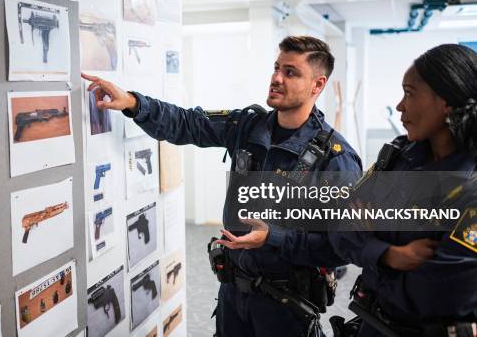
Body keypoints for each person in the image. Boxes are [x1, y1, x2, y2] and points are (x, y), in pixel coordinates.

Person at [83, 35, 363, 337]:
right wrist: (135, 104)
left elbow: (343, 249)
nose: (276, 78)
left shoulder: (335, 160)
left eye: (291, 72)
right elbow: (188, 123)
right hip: (234, 294)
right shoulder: (249, 126)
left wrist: (274, 239)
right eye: (276, 67)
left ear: (317, 85)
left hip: (286, 308)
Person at [329, 44, 477, 336]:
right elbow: (338, 223)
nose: (400, 106)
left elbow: (438, 295)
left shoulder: (470, 185)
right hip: (371, 322)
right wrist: (388, 255)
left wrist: (369, 251)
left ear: (446, 101)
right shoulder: (399, 155)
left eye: (409, 93)